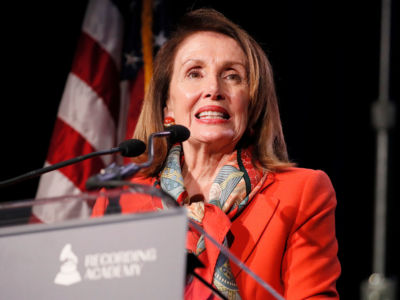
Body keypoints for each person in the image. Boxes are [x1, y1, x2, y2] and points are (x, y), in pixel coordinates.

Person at [92, 8, 341, 300]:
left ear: (253, 104)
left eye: (232, 76)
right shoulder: (119, 200)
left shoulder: (302, 193)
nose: (213, 89)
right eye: (194, 73)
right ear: (167, 106)